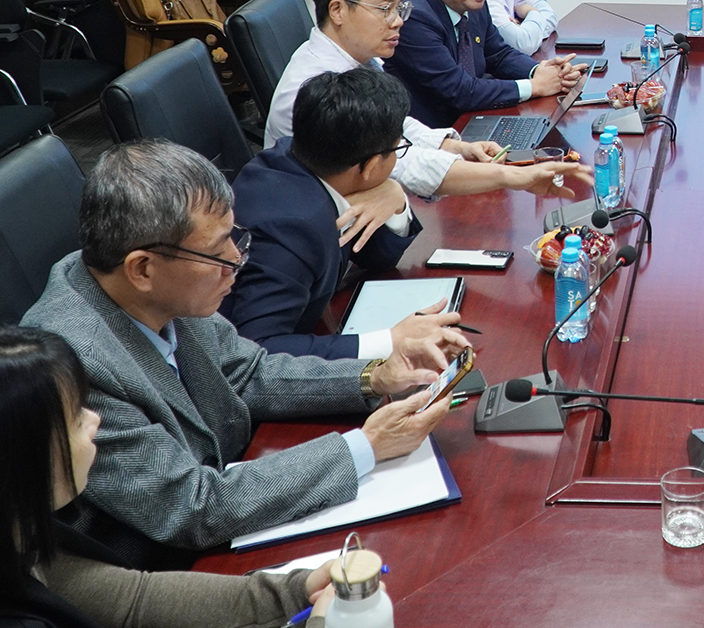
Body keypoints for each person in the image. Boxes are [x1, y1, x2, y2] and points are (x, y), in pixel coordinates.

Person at [19, 140, 458, 570]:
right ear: (143, 269)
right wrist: (365, 446)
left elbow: (246, 373)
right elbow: (190, 508)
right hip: (165, 569)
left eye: (234, 237)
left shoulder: (155, 285)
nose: (237, 259)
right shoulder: (74, 363)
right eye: (217, 252)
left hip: (229, 501)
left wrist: (375, 376)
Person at [0, 325, 355, 628]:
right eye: (77, 419)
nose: (95, 421)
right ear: (23, 454)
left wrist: (295, 592)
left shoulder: (21, 530)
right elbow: (194, 509)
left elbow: (132, 600)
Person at [264, 0, 589, 201]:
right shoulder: (315, 87)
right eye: (385, 8)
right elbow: (399, 164)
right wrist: (512, 177)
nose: (397, 21)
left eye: (399, 8)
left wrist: (458, 147)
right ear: (337, 10)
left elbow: (395, 126)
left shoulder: (357, 58)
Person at [226, 70, 468, 360]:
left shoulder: (301, 153)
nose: (397, 157)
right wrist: (390, 341)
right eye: (398, 149)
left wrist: (392, 195)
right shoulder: (292, 230)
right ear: (369, 167)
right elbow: (257, 349)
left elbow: (376, 258)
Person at [385, 0, 585, 128]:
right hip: (435, 133)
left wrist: (540, 71)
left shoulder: (473, 3)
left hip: (475, 121)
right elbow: (460, 91)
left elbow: (498, 54)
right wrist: (535, 86)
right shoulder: (416, 18)